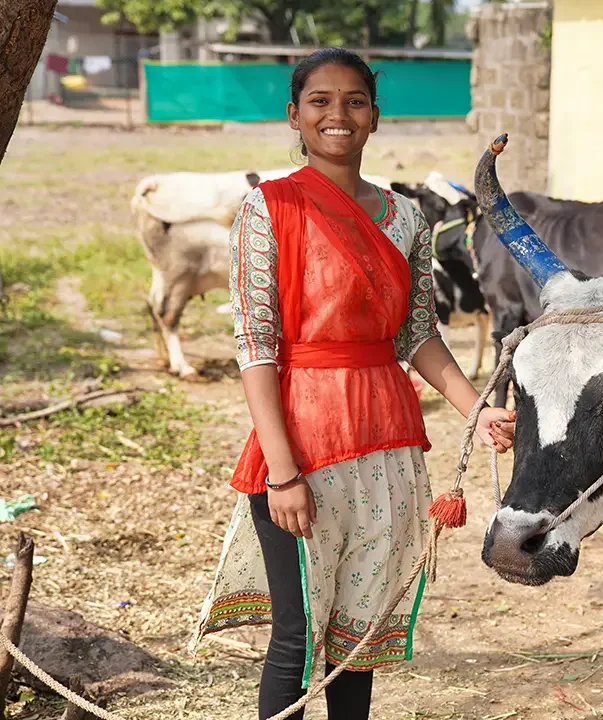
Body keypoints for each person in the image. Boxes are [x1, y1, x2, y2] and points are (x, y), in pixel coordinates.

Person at [189, 47, 516, 720]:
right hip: (303, 449)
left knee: (357, 640)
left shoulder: (407, 219)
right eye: (320, 101)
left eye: (354, 101)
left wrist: (476, 409)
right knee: (297, 639)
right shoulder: (267, 209)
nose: (337, 114)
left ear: (373, 116)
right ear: (294, 115)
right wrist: (281, 472)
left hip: (388, 447)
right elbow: (255, 344)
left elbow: (417, 334)